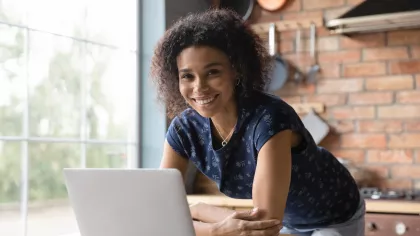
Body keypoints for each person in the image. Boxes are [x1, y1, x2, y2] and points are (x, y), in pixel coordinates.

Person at [150, 8, 365, 236]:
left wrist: (204, 221)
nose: (199, 87)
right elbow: (162, 213)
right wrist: (214, 230)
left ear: (237, 71)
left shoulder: (270, 118)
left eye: (212, 72)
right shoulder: (183, 130)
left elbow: (265, 226)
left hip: (333, 216)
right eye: (187, 76)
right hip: (285, 222)